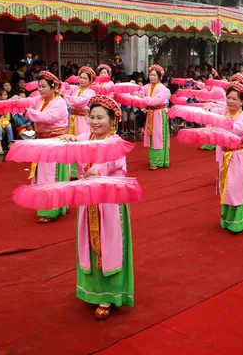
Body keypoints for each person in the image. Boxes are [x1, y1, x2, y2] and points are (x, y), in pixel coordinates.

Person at [61, 95, 134, 320]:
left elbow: (109, 163)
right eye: (91, 116)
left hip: (109, 203)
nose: (94, 121)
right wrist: (70, 139)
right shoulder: (88, 137)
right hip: (88, 198)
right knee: (87, 243)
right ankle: (91, 290)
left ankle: (108, 295)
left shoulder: (116, 142)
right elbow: (78, 143)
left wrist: (95, 171)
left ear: (112, 120)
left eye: (100, 117)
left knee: (108, 245)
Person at [21, 71, 70, 223]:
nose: (40, 90)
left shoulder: (59, 102)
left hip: (55, 143)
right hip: (43, 142)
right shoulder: (40, 100)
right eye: (39, 87)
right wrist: (16, 101)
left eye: (43, 87)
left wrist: (29, 113)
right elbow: (27, 104)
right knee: (42, 174)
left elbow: (48, 118)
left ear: (53, 87)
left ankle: (50, 210)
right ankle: (57, 205)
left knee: (49, 176)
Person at [206, 82, 243, 233]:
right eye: (228, 98)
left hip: (239, 156)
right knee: (226, 186)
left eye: (234, 99)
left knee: (236, 188)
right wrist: (209, 109)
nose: (230, 102)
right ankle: (226, 218)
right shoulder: (223, 111)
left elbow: (235, 130)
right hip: (225, 154)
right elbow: (213, 110)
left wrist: (217, 121)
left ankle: (238, 222)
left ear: (242, 101)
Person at [135, 65, 170, 170]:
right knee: (151, 137)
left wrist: (144, 98)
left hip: (159, 114)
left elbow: (156, 101)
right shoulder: (147, 87)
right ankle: (153, 160)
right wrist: (134, 88)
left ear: (159, 77)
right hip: (150, 114)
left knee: (158, 136)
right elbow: (138, 92)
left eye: (154, 75)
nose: (152, 77)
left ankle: (159, 161)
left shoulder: (162, 88)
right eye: (150, 75)